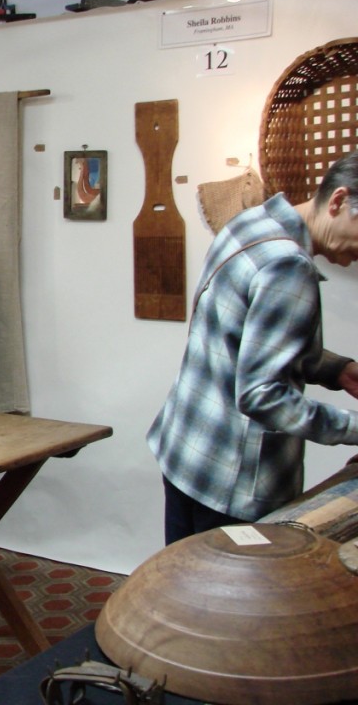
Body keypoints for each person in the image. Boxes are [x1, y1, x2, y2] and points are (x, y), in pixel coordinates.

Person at [148, 151, 358, 545]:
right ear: (339, 202)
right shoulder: (288, 266)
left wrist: (336, 369)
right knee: (233, 604)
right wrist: (353, 427)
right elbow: (262, 395)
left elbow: (247, 342)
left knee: (185, 591)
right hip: (233, 480)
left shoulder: (251, 221)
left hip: (189, 448)